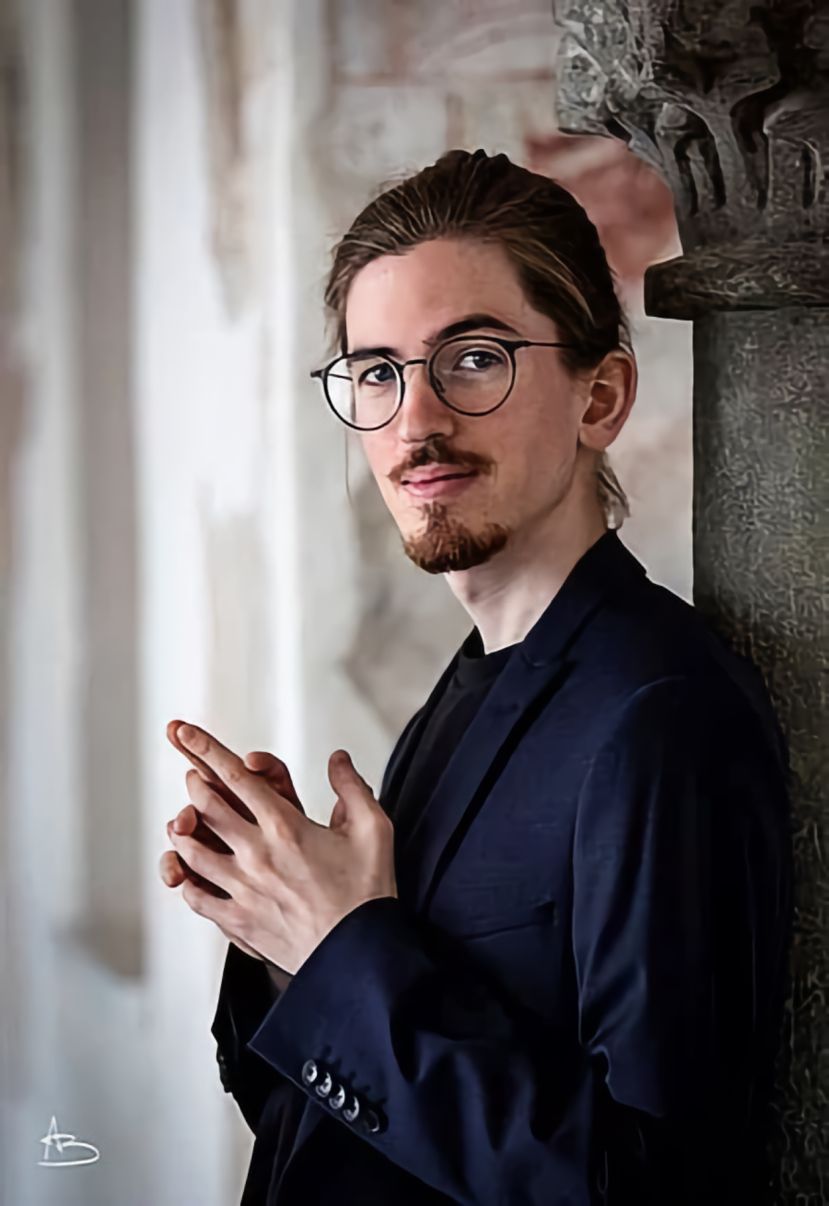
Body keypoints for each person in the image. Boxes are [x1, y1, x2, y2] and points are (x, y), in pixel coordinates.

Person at [159, 148, 793, 1205]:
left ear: (600, 398)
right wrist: (281, 932)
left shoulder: (660, 714)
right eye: (377, 372)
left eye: (474, 358)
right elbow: (340, 1132)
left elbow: (640, 1186)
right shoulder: (467, 689)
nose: (415, 421)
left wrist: (339, 948)